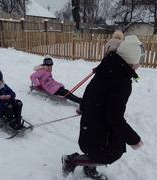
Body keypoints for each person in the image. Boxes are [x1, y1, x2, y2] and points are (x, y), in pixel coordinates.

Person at [61, 35, 145, 180]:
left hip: (92, 123)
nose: (140, 64)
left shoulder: (107, 67)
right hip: (100, 127)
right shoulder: (122, 81)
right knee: (109, 154)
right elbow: (114, 117)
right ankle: (71, 160)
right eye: (139, 60)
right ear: (132, 61)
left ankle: (89, 168)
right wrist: (133, 139)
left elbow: (89, 90)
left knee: (101, 149)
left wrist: (82, 107)